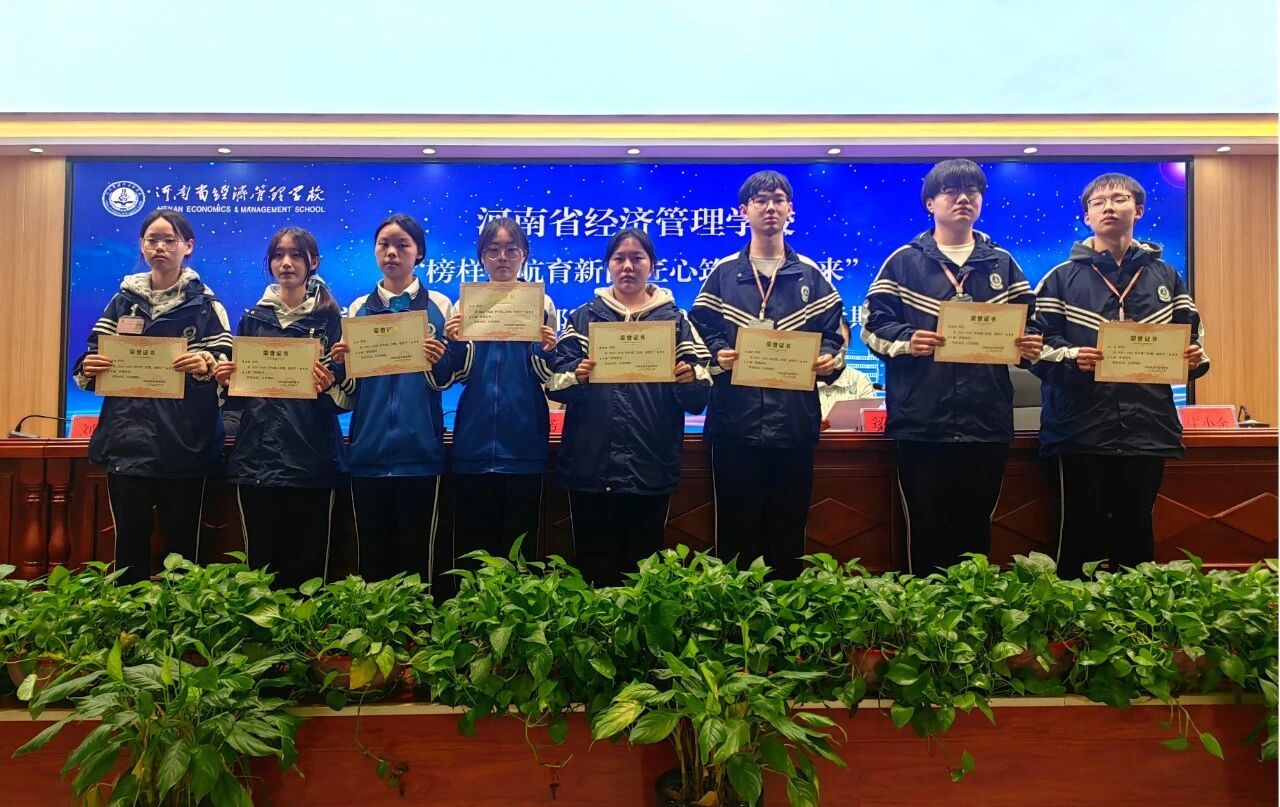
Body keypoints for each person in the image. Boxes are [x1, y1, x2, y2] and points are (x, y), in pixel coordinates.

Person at [861, 158, 1043, 575]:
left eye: (972, 191)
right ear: (930, 203)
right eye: (951, 191)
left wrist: (1027, 343)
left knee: (976, 531)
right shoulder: (903, 262)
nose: (963, 199)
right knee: (924, 529)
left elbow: (1031, 325)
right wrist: (908, 341)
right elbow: (872, 325)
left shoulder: (1001, 263)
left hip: (987, 421)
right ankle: (923, 613)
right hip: (921, 421)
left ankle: (972, 612)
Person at [1032, 172, 1209, 578]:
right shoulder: (1060, 278)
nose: (1109, 207)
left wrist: (1194, 359)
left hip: (1148, 427)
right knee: (1080, 537)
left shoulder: (1167, 277)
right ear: (1087, 217)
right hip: (1079, 429)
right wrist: (1073, 357)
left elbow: (1191, 341)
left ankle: (1135, 617)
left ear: (1139, 210)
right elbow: (1032, 347)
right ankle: (1075, 617)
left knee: (1136, 534)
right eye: (1098, 202)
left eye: (1120, 198)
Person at [690, 170, 843, 579]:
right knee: (734, 534)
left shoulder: (810, 273)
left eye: (778, 199)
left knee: (788, 532)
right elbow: (698, 330)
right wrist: (717, 355)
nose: (770, 207)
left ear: (790, 209)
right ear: (744, 211)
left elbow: (834, 334)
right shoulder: (723, 273)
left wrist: (828, 358)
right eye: (760, 200)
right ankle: (734, 614)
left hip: (794, 425)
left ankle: (786, 614)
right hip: (734, 425)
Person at [72, 209, 231, 583]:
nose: (160, 247)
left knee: (183, 552)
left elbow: (228, 367)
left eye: (169, 240)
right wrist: (89, 367)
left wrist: (207, 363)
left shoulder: (207, 304)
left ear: (187, 246)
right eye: (152, 240)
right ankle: (129, 617)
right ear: (141, 246)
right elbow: (92, 357)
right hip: (128, 444)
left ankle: (179, 618)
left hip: (185, 445)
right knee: (128, 549)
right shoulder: (121, 302)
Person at [545, 228, 711, 586]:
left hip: (650, 466)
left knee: (643, 574)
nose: (628, 266)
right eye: (619, 258)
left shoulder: (677, 321)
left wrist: (689, 378)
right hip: (590, 467)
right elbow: (554, 382)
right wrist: (578, 375)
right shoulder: (583, 318)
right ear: (608, 265)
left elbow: (701, 394)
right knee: (591, 571)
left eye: (637, 258)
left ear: (652, 265)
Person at [214, 226, 349, 589]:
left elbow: (348, 397)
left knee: (310, 575)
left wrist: (330, 383)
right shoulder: (252, 319)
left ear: (313, 263)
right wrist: (226, 380)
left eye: (296, 255)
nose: (286, 263)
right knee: (260, 574)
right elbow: (239, 399)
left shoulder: (333, 321)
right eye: (278, 255)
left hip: (313, 461)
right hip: (256, 461)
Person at [330, 214, 457, 582]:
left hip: (421, 453)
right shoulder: (358, 309)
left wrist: (439, 360)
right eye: (384, 244)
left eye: (403, 245)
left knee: (419, 563)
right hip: (368, 452)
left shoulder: (440, 305)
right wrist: (339, 364)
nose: (392, 252)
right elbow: (352, 389)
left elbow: (450, 378)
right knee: (372, 560)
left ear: (419, 253)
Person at [442, 217, 558, 566]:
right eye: (493, 250)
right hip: (473, 443)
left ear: (524, 255)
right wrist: (454, 344)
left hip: (524, 442)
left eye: (511, 249)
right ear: (482, 257)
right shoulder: (465, 305)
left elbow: (549, 378)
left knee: (520, 554)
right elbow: (458, 376)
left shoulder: (542, 304)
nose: (502, 257)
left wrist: (546, 350)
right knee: (474, 552)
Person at [819, 316, 879, 425]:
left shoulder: (861, 381)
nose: (832, 348)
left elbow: (869, 423)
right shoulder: (798, 381)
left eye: (840, 341)